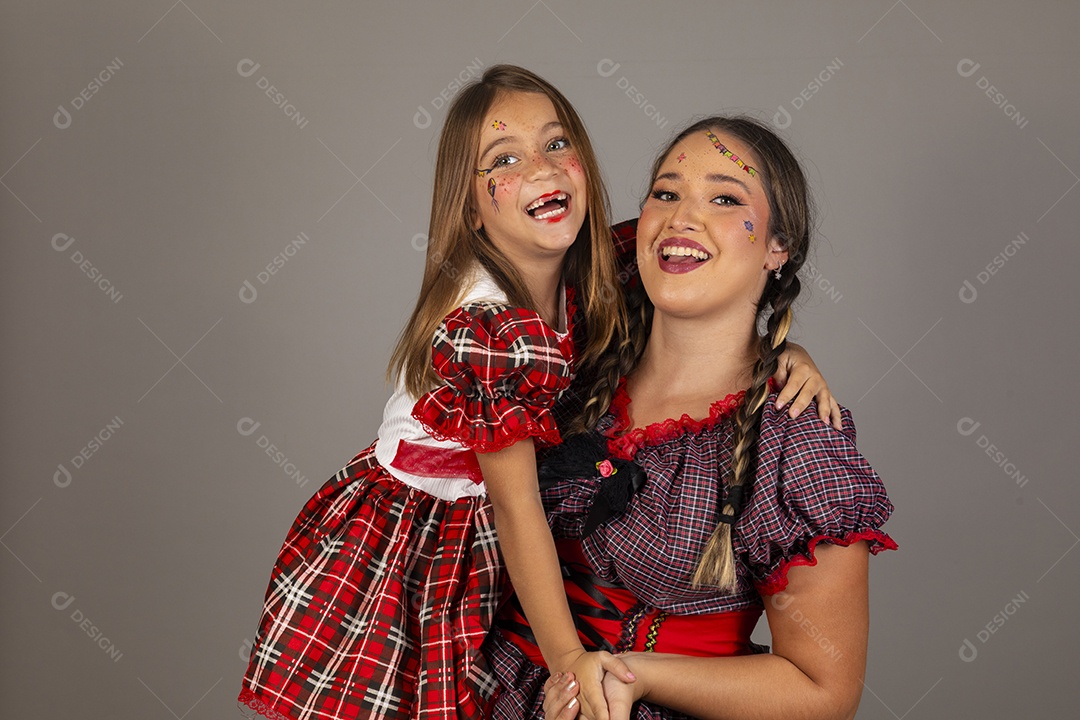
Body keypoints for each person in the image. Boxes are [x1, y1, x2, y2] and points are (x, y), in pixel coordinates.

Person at [239, 64, 837, 720]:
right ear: (469, 207)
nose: (541, 169)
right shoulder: (490, 326)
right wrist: (570, 662)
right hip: (423, 538)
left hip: (500, 539)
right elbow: (518, 505)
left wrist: (786, 353)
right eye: (505, 159)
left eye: (557, 145)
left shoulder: (601, 269)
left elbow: (716, 274)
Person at [485, 116, 896, 720]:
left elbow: (824, 693)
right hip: (480, 691)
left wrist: (635, 676)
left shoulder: (796, 443)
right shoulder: (566, 363)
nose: (682, 218)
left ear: (777, 246)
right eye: (666, 193)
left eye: (725, 199)